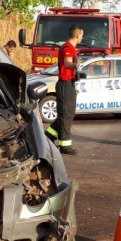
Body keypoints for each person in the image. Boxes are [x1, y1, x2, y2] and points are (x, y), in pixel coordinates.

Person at [45, 25, 83, 155]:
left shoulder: (70, 48)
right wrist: (78, 65)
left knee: (65, 115)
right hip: (65, 84)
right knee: (66, 116)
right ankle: (65, 146)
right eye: (81, 35)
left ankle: (48, 137)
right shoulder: (68, 48)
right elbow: (67, 63)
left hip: (68, 84)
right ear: (77, 36)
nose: (82, 38)